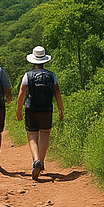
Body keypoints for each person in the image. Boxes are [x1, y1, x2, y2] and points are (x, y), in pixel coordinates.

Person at [16, 46, 64, 180]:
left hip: (31, 108)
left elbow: (22, 92)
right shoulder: (51, 75)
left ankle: (36, 160)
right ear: (44, 61)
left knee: (32, 136)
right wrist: (61, 109)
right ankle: (41, 163)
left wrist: (19, 109)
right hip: (46, 109)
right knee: (44, 134)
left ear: (33, 61)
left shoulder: (27, 75)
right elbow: (57, 92)